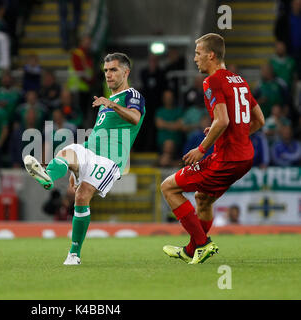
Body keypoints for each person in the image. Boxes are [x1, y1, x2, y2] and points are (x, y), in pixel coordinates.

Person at [23, 53, 146, 265]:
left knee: (82, 196)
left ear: (126, 72)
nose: (108, 74)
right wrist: (76, 170)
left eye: (113, 70)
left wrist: (112, 105)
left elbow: (135, 118)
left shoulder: (132, 95)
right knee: (67, 151)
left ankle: (74, 254)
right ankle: (48, 177)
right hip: (90, 150)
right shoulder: (105, 101)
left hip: (111, 159)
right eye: (106, 70)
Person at [161, 33, 265, 264]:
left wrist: (201, 148)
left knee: (168, 187)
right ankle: (192, 250)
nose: (194, 58)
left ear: (211, 55)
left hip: (226, 158)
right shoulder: (239, 80)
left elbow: (223, 121)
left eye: (198, 53)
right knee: (203, 199)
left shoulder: (212, 81)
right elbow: (259, 120)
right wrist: (235, 136)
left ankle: (203, 244)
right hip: (245, 156)